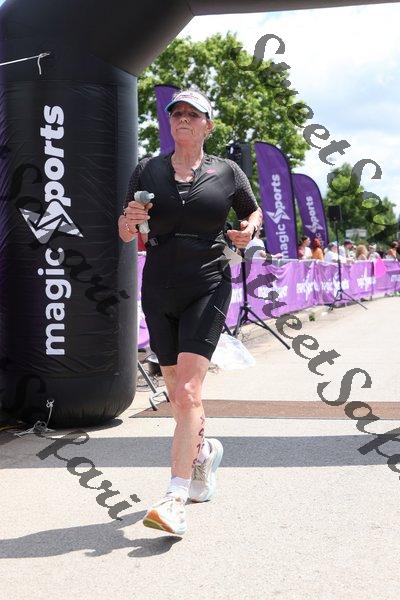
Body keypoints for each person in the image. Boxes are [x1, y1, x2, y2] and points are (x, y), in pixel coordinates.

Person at [118, 88, 262, 536]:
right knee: (177, 395)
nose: (182, 118)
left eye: (192, 114)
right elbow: (125, 231)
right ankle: (204, 455)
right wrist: (129, 219)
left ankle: (174, 498)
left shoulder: (228, 171)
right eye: (176, 113)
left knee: (188, 392)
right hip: (159, 284)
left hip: (208, 281)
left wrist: (248, 230)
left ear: (207, 125)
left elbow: (253, 212)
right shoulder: (148, 169)